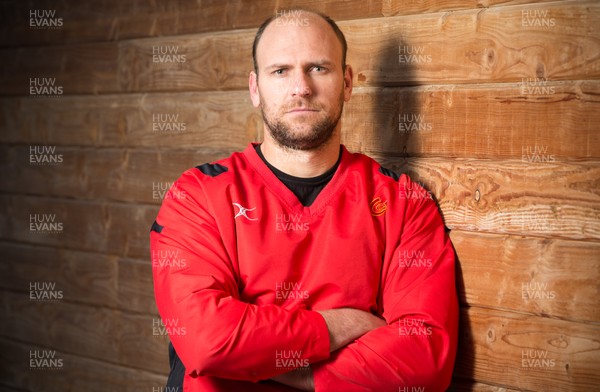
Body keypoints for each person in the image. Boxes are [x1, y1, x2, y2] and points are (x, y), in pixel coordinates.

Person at [151, 9, 458, 392]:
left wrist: (279, 365)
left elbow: (425, 360)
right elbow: (207, 340)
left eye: (318, 69)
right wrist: (339, 325)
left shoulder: (403, 202)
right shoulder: (197, 196)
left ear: (346, 83)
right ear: (255, 88)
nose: (301, 88)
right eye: (280, 71)